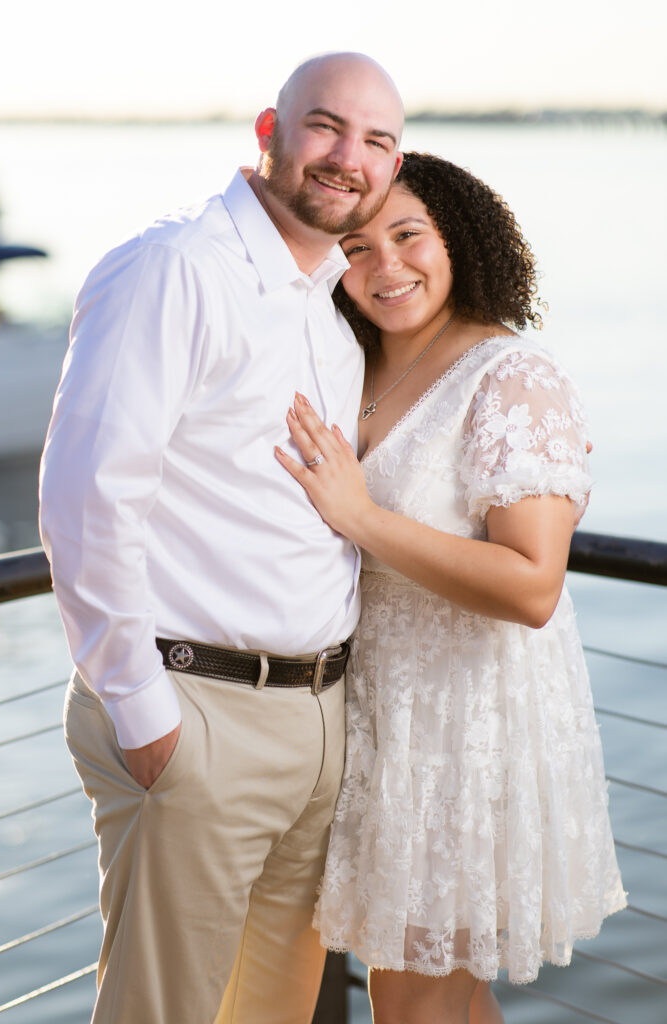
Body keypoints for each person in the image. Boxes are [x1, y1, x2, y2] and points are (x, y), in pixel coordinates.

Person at [39, 52, 404, 1024]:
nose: (348, 157)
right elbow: (87, 498)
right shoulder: (175, 266)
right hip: (196, 711)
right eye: (325, 126)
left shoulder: (328, 305)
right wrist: (146, 716)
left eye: (376, 140)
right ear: (267, 132)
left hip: (317, 719)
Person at [276, 152, 627, 1024]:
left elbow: (531, 585)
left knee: (408, 1001)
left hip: (466, 734)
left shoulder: (511, 377)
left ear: (457, 240)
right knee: (442, 996)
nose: (384, 267)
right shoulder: (349, 366)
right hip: (377, 727)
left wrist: (360, 517)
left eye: (407, 235)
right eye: (355, 247)